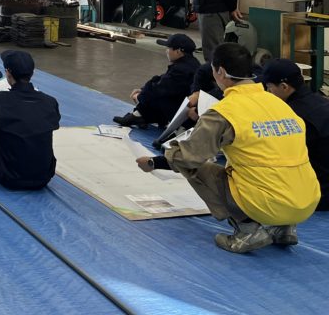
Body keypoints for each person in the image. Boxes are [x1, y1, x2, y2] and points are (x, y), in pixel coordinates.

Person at [136, 43, 320, 253]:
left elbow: (188, 157)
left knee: (198, 167)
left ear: (221, 72)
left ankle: (247, 229)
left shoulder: (224, 112)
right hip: (306, 201)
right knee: (273, 163)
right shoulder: (278, 103)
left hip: (268, 205)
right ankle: (284, 228)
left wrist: (154, 162)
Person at [0, 50, 61, 188]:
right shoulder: (50, 102)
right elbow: (54, 121)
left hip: (8, 176)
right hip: (44, 177)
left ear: (8, 73)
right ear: (33, 72)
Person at [262, 59, 329, 211]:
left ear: (284, 87)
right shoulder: (322, 102)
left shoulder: (290, 115)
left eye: (269, 88)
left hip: (319, 194)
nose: (267, 93)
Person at [113, 33, 201, 128]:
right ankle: (141, 116)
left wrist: (139, 97)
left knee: (155, 95)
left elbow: (159, 89)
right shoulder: (191, 63)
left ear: (178, 51)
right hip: (184, 106)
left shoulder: (181, 70)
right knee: (153, 90)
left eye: (169, 48)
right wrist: (143, 90)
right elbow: (162, 80)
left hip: (186, 116)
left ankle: (138, 115)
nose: (166, 51)